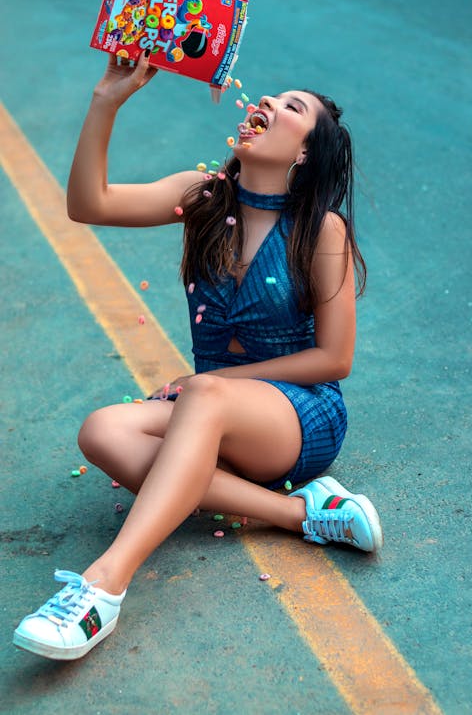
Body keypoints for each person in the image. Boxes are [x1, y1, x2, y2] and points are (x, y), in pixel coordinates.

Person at [13, 51, 383, 661]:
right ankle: (303, 515)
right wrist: (109, 97)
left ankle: (102, 589)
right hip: (210, 412)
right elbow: (89, 204)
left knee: (206, 391)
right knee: (103, 429)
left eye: (291, 108)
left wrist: (210, 382)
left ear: (304, 155)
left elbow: (334, 359)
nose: (265, 103)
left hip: (298, 415)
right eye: (269, 96)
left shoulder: (322, 229)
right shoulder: (205, 195)